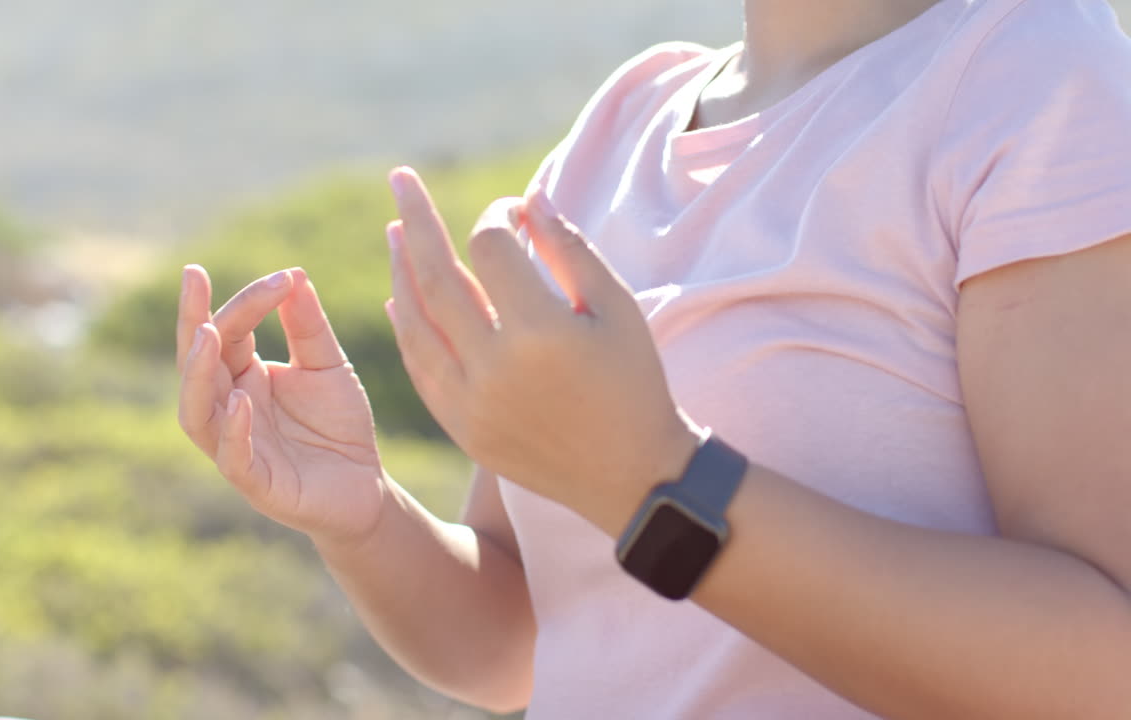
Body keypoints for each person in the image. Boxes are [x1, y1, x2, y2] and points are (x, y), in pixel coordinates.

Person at [175, 0, 1131, 716]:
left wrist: (657, 486)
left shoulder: (1038, 75)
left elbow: (1104, 668)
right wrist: (362, 515)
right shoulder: (626, 121)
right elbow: (512, 637)